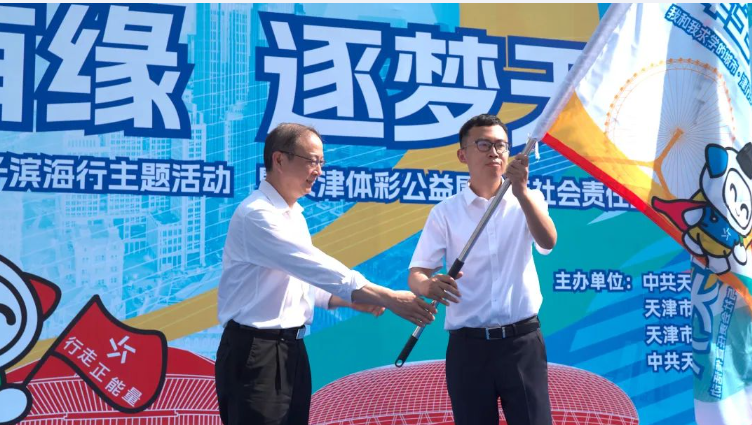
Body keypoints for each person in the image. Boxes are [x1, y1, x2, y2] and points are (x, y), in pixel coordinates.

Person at [215, 123, 436, 425]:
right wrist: (390, 298)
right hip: (257, 352)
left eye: (321, 162)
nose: (318, 170)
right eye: (311, 160)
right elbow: (316, 267)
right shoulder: (258, 215)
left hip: (290, 349)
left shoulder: (292, 214)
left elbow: (302, 280)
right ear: (279, 160)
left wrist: (348, 300)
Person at [408, 114, 557, 425]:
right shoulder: (445, 212)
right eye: (484, 144)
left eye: (501, 145)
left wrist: (522, 192)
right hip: (469, 348)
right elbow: (417, 274)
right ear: (463, 155)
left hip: (522, 342)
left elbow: (548, 242)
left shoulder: (529, 199)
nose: (495, 152)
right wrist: (428, 286)